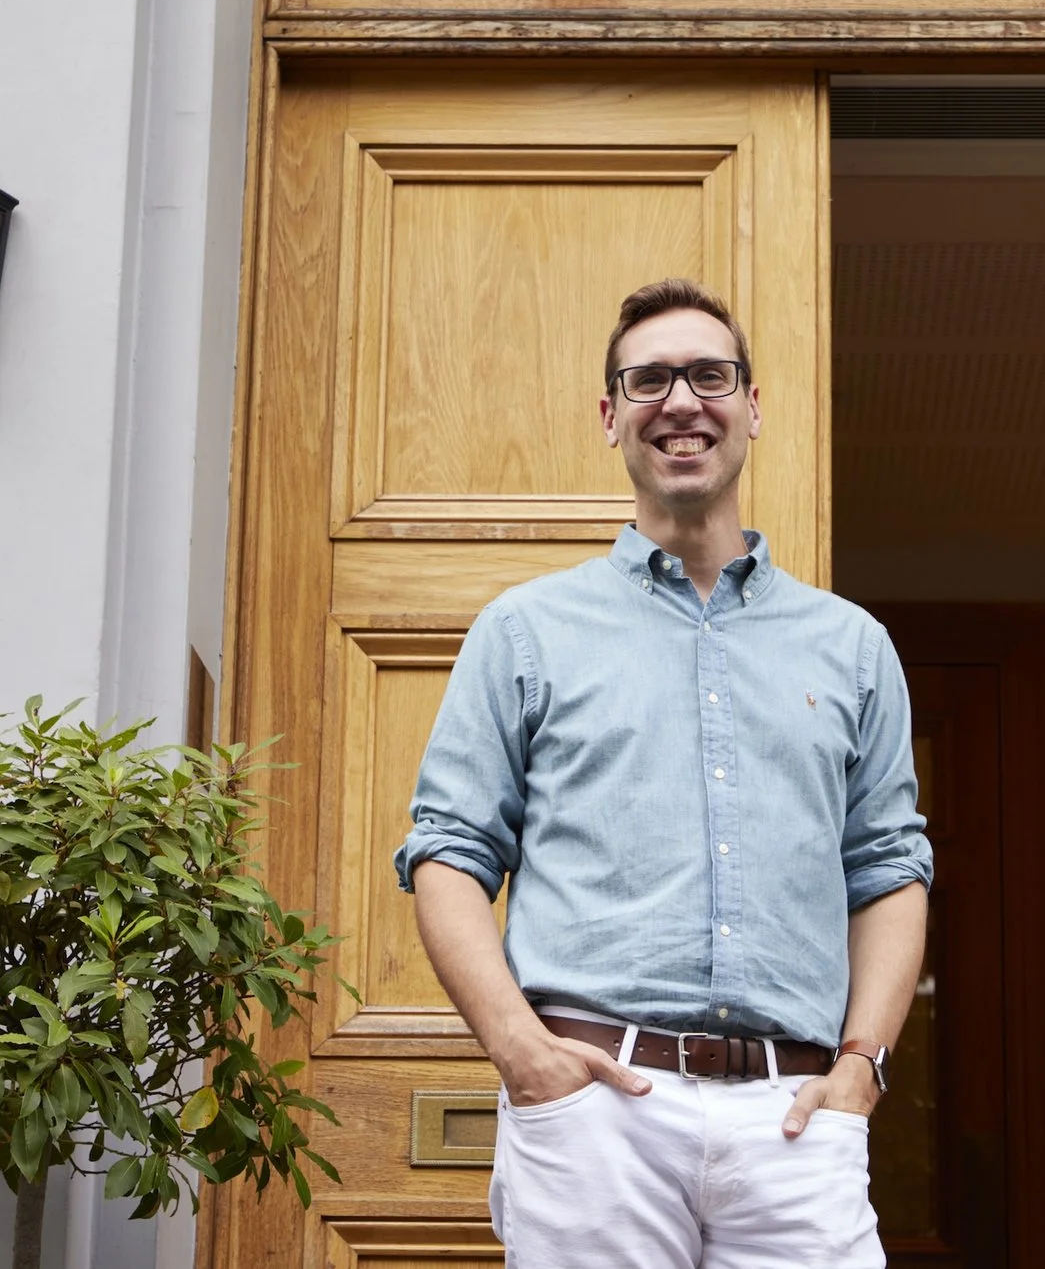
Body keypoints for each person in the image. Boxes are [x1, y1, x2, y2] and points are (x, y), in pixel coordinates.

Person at [394, 277, 933, 1267]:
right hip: (596, 1111)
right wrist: (521, 1052)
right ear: (611, 417)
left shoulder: (850, 646)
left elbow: (890, 868)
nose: (681, 401)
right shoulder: (525, 632)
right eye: (648, 380)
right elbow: (448, 855)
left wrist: (862, 1065)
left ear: (754, 406)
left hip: (795, 1118)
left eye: (709, 375)